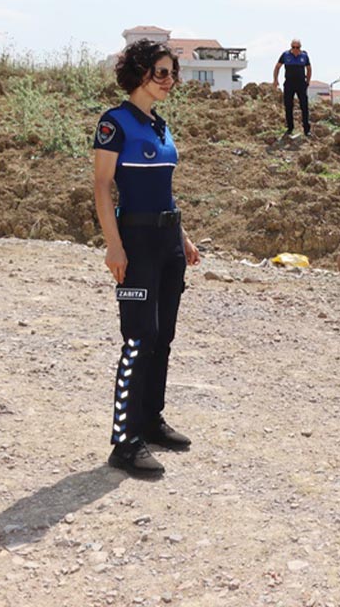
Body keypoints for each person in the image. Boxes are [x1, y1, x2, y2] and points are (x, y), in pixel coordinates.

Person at [93, 39, 202, 475]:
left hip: (168, 243)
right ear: (139, 72)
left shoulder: (160, 125)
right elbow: (103, 186)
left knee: (163, 338)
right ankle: (124, 441)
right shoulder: (114, 123)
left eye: (172, 73)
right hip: (135, 241)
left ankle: (150, 421)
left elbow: (166, 192)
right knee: (138, 340)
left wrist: (185, 238)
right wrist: (113, 244)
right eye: (161, 72)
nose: (169, 80)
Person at [274, 38, 312, 137]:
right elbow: (277, 67)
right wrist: (275, 79)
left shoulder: (304, 56)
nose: (295, 49)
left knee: (304, 106)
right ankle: (290, 128)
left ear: (300, 47)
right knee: (288, 105)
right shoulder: (285, 55)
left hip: (301, 84)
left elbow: (309, 68)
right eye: (293, 47)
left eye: (297, 47)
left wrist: (307, 81)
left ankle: (307, 130)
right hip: (289, 83)